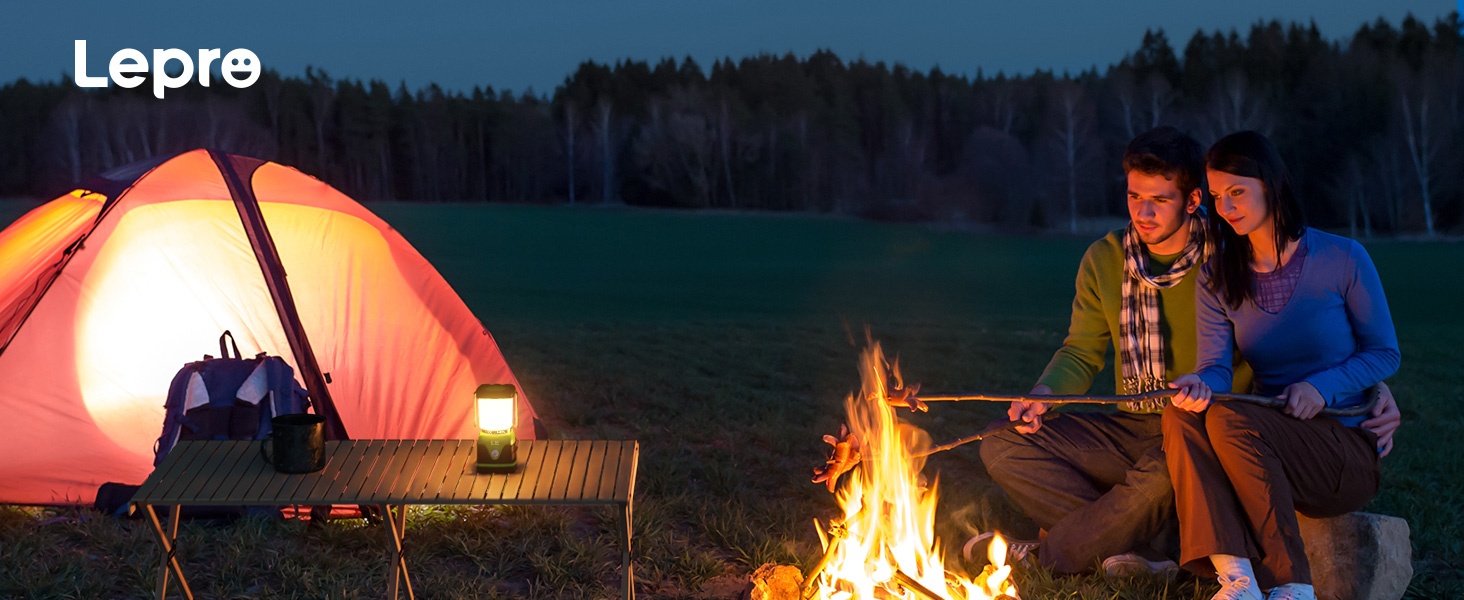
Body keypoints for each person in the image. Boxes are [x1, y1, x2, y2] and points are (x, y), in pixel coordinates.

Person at [978, 126, 1242, 576]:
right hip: (1130, 423)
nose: (1143, 211)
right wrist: (1043, 394)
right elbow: (1081, 352)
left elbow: (1282, 341)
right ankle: (1146, 553)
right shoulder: (1105, 259)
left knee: (1163, 475)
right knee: (1000, 443)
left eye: (1159, 200)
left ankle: (1047, 556)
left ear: (1193, 200)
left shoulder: (1230, 258)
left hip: (1200, 430)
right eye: (1135, 196)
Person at [1165, 131, 1401, 600]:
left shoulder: (1343, 258)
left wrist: (1322, 387)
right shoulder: (1216, 276)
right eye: (1217, 196)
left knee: (1231, 421)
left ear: (1270, 185)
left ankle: (1293, 586)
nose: (1226, 206)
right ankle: (1239, 581)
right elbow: (1215, 368)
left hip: (1343, 445)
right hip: (1267, 442)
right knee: (1180, 412)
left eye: (1237, 191)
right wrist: (1198, 383)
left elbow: (1384, 353)